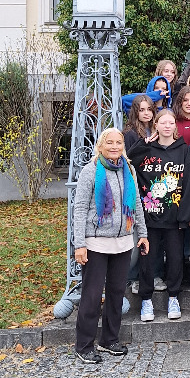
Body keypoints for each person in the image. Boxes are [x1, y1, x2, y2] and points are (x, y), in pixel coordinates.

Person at [73, 128, 148, 364]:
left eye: (118, 143)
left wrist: (143, 234)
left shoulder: (129, 170)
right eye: (110, 143)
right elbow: (80, 208)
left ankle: (109, 339)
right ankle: (83, 345)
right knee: (92, 295)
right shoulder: (91, 170)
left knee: (116, 294)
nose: (114, 147)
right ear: (101, 145)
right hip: (95, 242)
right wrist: (80, 244)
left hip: (123, 242)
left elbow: (136, 203)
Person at [129, 108, 190, 323]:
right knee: (148, 259)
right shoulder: (147, 150)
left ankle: (173, 297)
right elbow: (127, 159)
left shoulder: (183, 150)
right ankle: (146, 300)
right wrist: (145, 142)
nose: (167, 126)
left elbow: (189, 183)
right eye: (162, 123)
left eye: (170, 123)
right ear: (156, 125)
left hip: (174, 218)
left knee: (176, 259)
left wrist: (184, 215)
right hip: (149, 217)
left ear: (175, 126)